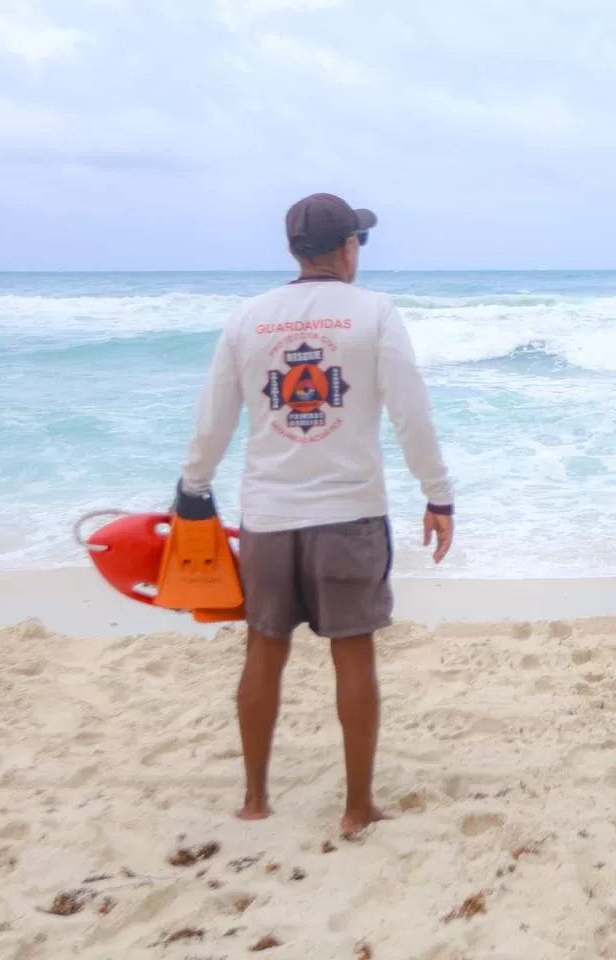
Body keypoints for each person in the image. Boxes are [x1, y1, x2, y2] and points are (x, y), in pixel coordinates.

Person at [178, 192, 455, 832]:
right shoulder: (375, 313)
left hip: (268, 516)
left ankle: (255, 799)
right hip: (350, 512)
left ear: (292, 250)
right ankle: (357, 809)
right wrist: (436, 493)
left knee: (263, 651)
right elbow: (411, 414)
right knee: (353, 655)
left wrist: (193, 487)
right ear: (349, 248)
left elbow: (214, 416)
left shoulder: (248, 318)